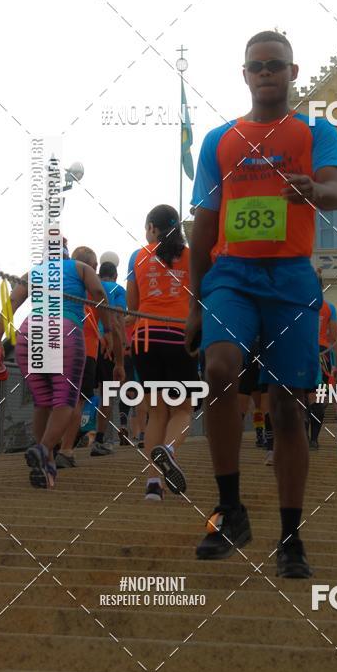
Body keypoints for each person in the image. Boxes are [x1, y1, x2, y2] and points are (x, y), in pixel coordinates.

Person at [185, 30, 337, 578]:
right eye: (256, 66)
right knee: (219, 368)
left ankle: (291, 535)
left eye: (275, 65)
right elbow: (203, 226)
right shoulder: (220, 140)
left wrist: (312, 190)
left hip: (291, 278)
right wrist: (192, 306)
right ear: (245, 74)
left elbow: (335, 191)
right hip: (231, 275)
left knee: (286, 408)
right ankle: (230, 508)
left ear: (293, 71)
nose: (266, 73)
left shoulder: (316, 131)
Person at [0, 243, 124, 488]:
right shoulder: (80, 268)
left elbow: (12, 301)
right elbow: (99, 294)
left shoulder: (35, 271)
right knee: (66, 400)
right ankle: (44, 449)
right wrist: (107, 329)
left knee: (42, 401)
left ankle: (45, 463)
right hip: (65, 331)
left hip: (30, 331)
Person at [128, 204, 198, 502]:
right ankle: (168, 451)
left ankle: (153, 485)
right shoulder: (191, 256)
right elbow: (200, 300)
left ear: (153, 228)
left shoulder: (139, 256)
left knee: (157, 412)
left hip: (145, 338)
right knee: (183, 409)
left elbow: (132, 307)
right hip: (179, 337)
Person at [56, 246, 101, 468]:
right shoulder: (94, 288)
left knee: (56, 396)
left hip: (54, 340)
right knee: (77, 400)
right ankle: (65, 449)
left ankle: (48, 444)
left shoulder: (61, 283)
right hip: (85, 349)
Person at [91, 261, 127, 456]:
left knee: (78, 395)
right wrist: (122, 345)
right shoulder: (118, 289)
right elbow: (118, 318)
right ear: (115, 275)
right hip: (108, 342)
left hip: (87, 340)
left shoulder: (90, 285)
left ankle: (63, 445)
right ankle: (99, 440)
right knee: (107, 393)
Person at [306, 273, 337, 450]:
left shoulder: (298, 304)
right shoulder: (329, 307)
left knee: (302, 395)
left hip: (302, 350)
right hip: (322, 352)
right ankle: (314, 440)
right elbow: (334, 336)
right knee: (319, 397)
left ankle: (302, 438)